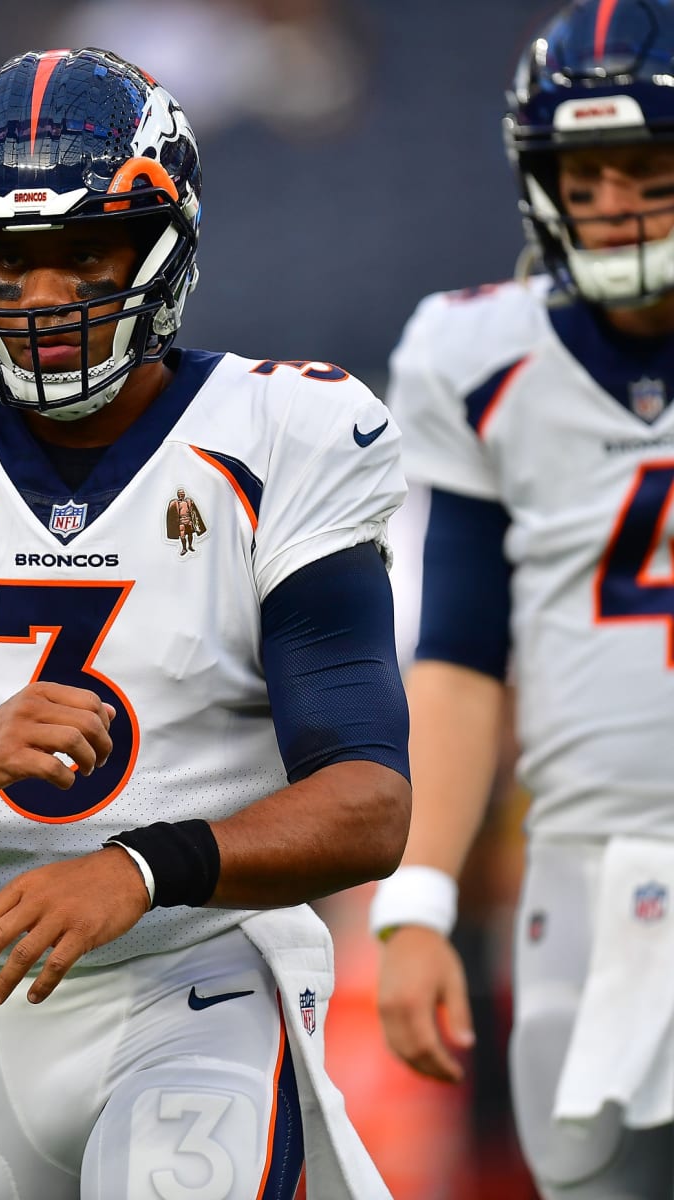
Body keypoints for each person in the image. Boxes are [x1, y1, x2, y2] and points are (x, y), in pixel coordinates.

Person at [0, 47, 411, 1200]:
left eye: (82, 253)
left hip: (194, 980)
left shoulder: (284, 431)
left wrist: (145, 870)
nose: (43, 298)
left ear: (161, 251)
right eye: (8, 261)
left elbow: (369, 802)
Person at [370, 2, 674, 1196]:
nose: (610, 199)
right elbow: (458, 655)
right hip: (586, 869)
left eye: (644, 165)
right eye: (580, 171)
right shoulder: (476, 355)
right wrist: (421, 900)